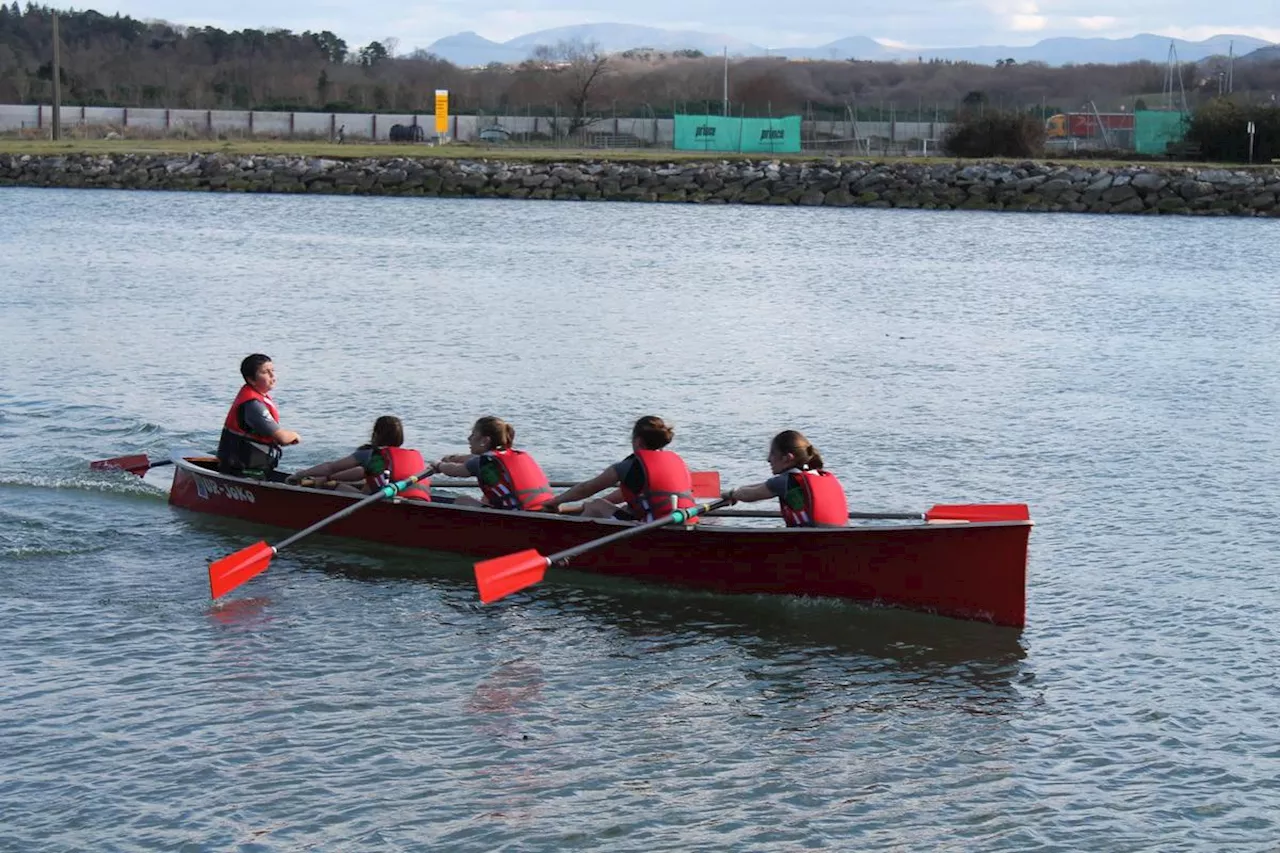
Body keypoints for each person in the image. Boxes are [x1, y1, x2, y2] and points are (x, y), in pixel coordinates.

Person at [541, 415, 694, 521]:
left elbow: (586, 489)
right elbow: (622, 495)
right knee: (621, 507)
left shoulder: (629, 466)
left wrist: (555, 502)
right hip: (684, 518)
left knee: (596, 506)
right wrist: (578, 507)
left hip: (655, 524)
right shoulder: (676, 461)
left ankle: (570, 544)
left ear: (638, 441)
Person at [286, 415, 431, 501]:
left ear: (375, 435)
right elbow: (361, 472)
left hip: (386, 503)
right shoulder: (414, 455)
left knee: (329, 486)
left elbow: (331, 467)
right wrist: (330, 477)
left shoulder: (370, 454)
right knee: (364, 486)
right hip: (421, 502)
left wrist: (301, 474)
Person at [722, 430, 848, 527]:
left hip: (809, 543)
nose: (768, 459)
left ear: (787, 458)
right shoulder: (818, 476)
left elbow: (749, 495)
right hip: (835, 540)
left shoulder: (785, 481)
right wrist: (736, 493)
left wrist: (731, 494)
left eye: (772, 453)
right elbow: (761, 486)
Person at [431, 416, 553, 510]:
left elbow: (454, 471)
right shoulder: (512, 455)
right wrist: (454, 458)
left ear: (485, 440)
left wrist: (438, 465)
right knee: (487, 498)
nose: (469, 439)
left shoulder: (482, 462)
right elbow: (472, 458)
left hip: (516, 514)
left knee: (463, 500)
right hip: (539, 508)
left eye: (473, 434)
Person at [217, 353, 300, 479]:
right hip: (240, 471)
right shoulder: (252, 404)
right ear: (251, 379)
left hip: (251, 466)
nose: (272, 375)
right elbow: (282, 437)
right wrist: (295, 435)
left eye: (272, 370)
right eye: (265, 372)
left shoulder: (258, 397)